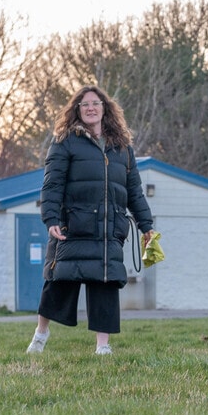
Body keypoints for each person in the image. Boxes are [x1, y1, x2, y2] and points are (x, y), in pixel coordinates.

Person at [26, 85, 155, 355]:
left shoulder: (122, 148)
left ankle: (103, 347)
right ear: (77, 110)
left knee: (105, 285)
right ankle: (41, 333)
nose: (91, 108)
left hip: (109, 231)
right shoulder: (64, 142)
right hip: (72, 227)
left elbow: (134, 192)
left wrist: (147, 226)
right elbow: (52, 185)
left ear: (105, 108)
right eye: (84, 105)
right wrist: (50, 218)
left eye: (95, 103)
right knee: (57, 281)